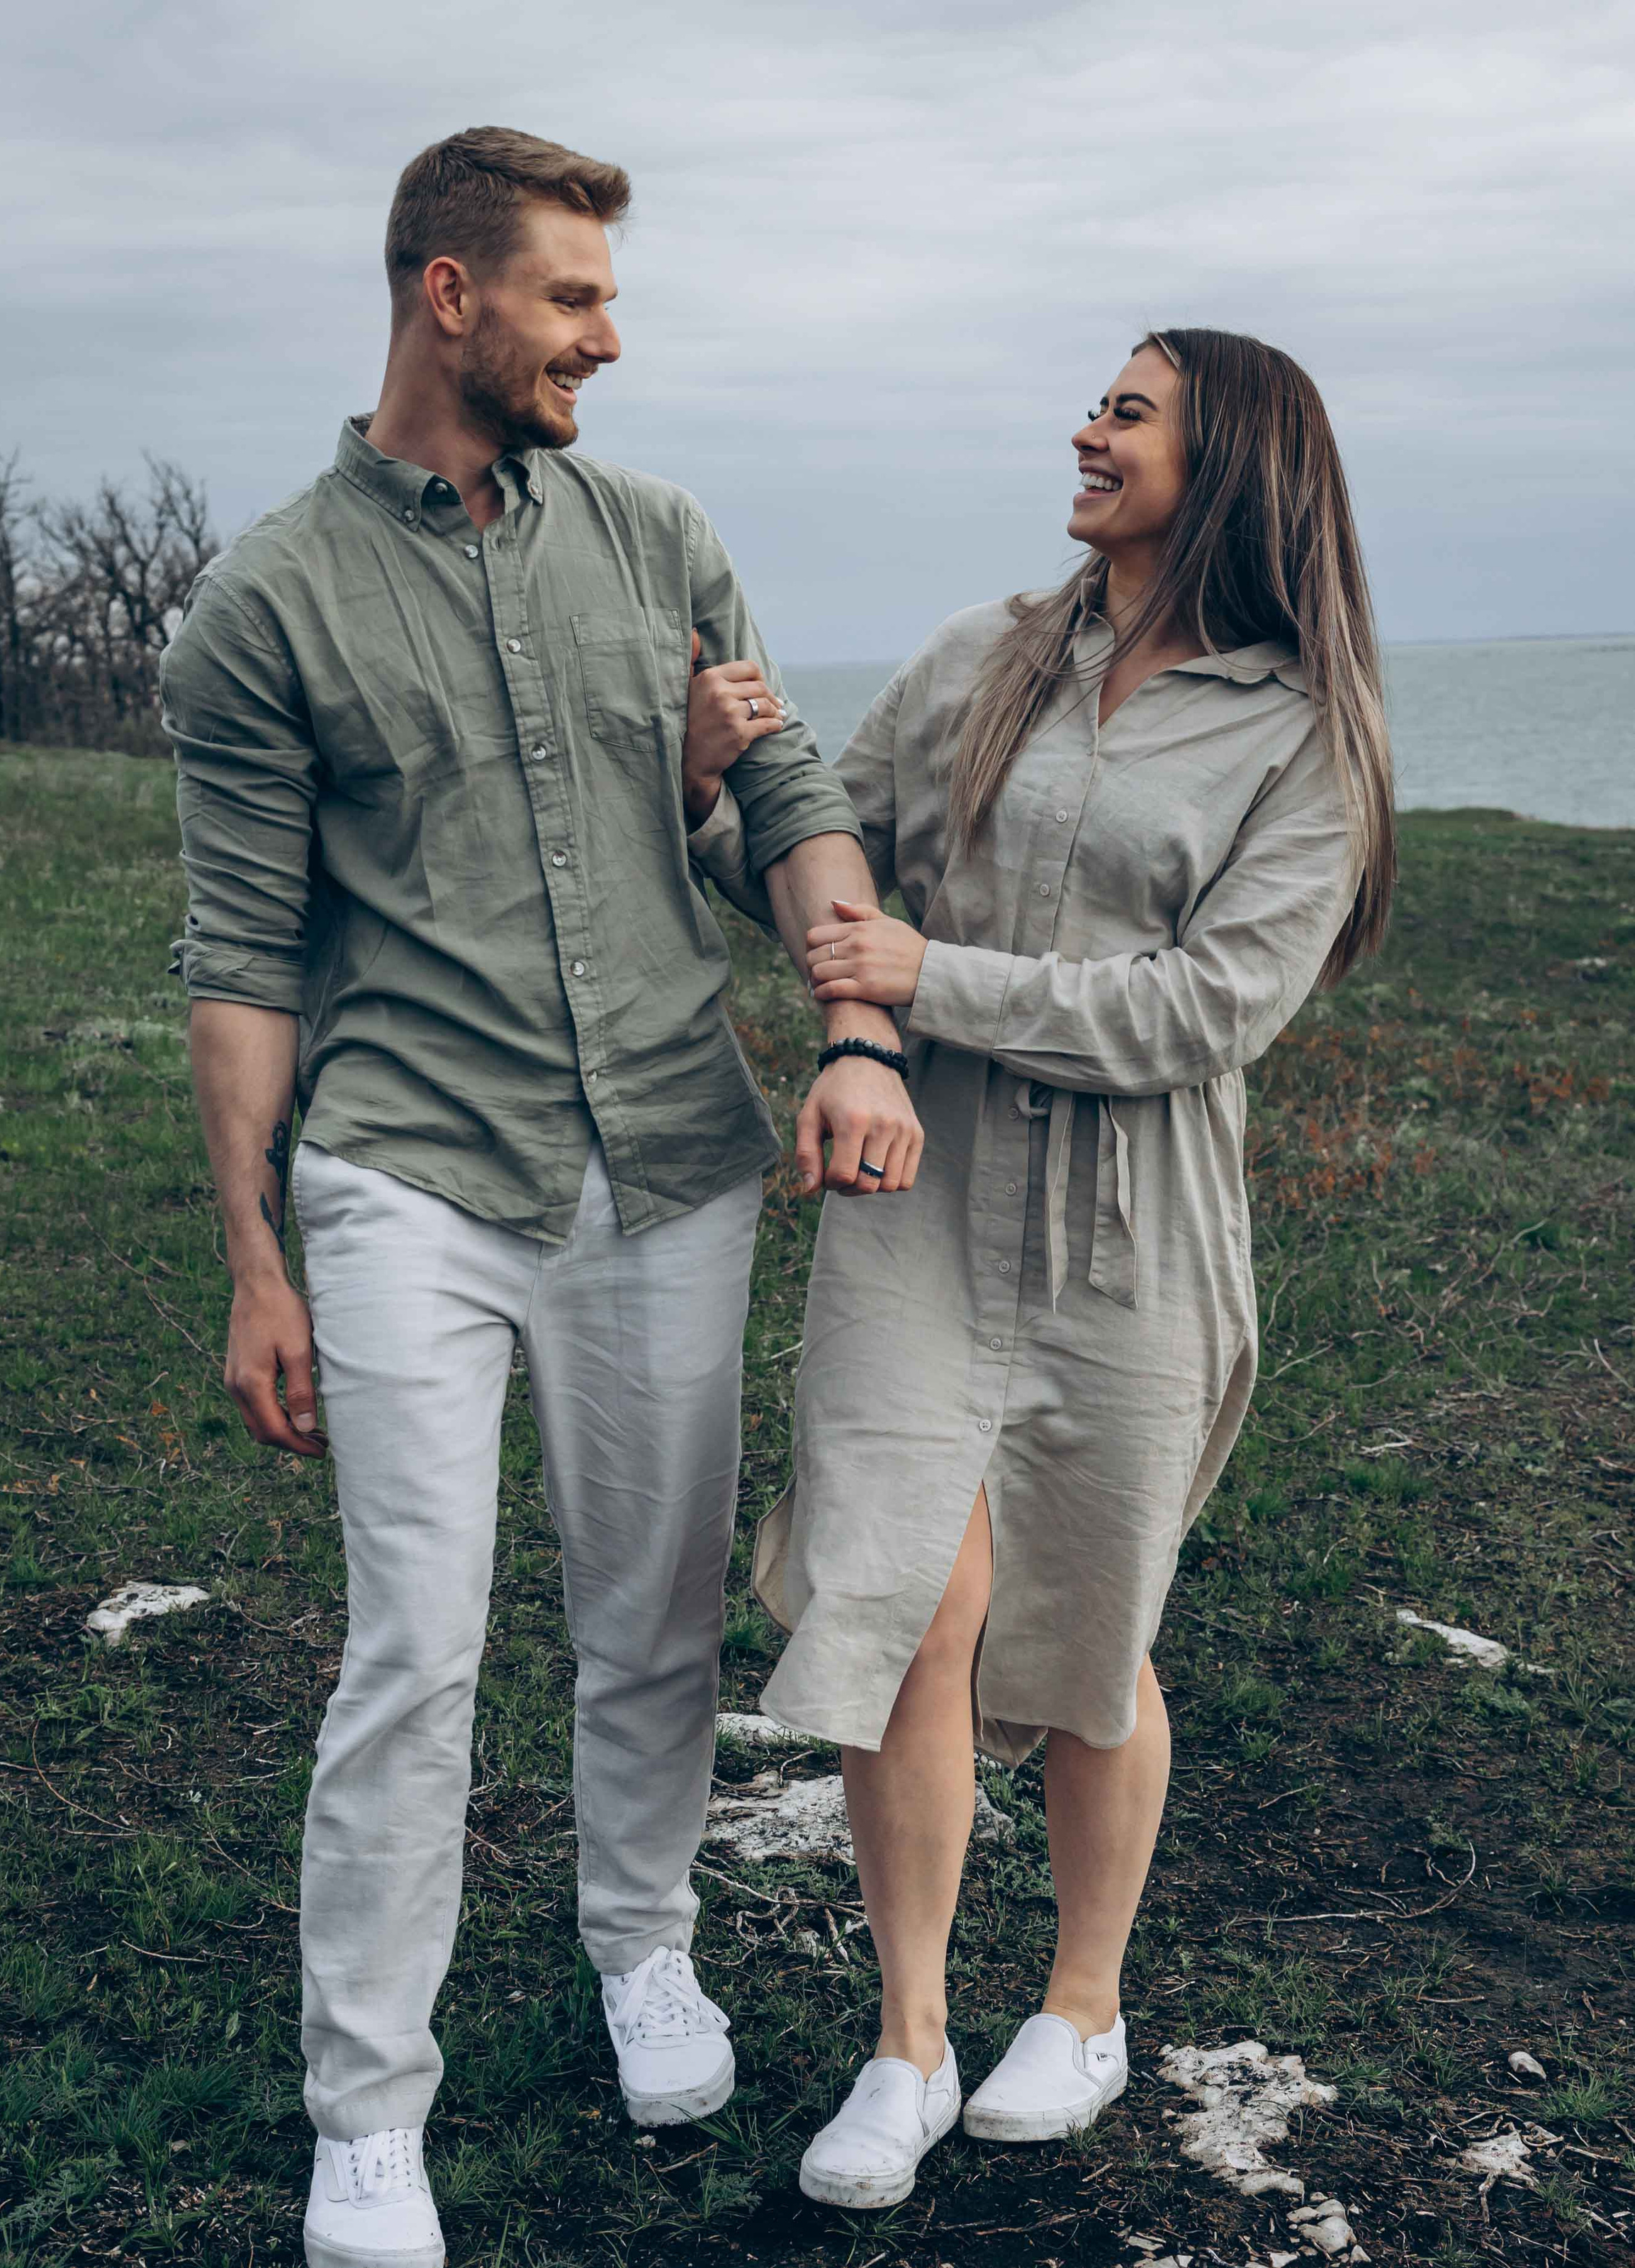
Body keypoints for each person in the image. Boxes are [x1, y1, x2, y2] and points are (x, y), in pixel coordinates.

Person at [161, 127, 920, 2268]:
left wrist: (854, 1013)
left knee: (652, 1616)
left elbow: (788, 801)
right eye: (576, 297)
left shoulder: (661, 533)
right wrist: (253, 1259)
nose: (611, 333)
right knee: (413, 1651)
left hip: (672, 1155)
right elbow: (237, 950)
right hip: (410, 1168)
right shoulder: (265, 602)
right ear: (448, 296)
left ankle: (639, 1947)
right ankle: (368, 2109)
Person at [691, 327, 1395, 2208]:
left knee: (1089, 1632)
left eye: (1131, 409)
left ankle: (1081, 2005)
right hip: (920, 1193)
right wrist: (716, 807)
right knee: (907, 1596)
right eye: (1098, 399)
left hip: (1139, 1224)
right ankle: (908, 2039)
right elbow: (831, 864)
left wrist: (935, 984)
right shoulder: (981, 656)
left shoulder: (1300, 732)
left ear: (1231, 463)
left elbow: (1215, 1006)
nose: (1086, 429)